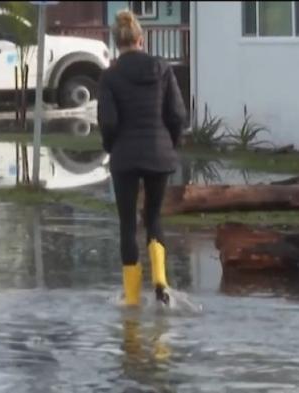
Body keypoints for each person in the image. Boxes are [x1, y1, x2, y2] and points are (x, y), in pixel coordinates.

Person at [98, 11, 187, 306]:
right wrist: (169, 144)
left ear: (116, 42)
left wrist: (113, 147)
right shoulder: (162, 68)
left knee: (127, 223)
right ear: (141, 39)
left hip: (125, 155)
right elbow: (177, 114)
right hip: (159, 153)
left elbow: (108, 122)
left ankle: (133, 299)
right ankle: (160, 280)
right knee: (153, 216)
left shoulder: (110, 76)